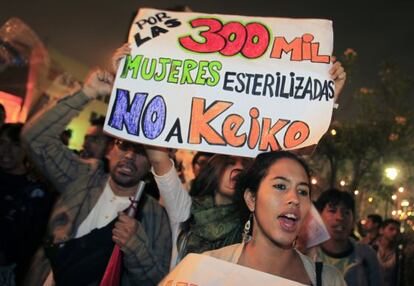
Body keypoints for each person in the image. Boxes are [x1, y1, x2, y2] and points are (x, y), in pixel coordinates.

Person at [21, 69, 172, 286]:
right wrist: (87, 93)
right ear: (110, 150)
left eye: (140, 151)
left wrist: (135, 247)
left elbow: (158, 281)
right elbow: (34, 139)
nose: (129, 156)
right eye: (122, 145)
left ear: (151, 163)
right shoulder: (81, 178)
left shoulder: (156, 217)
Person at [163, 151, 346, 285]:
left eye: (303, 191)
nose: (294, 199)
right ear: (251, 199)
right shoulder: (204, 268)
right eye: (280, 186)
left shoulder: (329, 280)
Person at [146, 147, 251, 268]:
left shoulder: (250, 226)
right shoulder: (184, 208)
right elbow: (158, 159)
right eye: (230, 163)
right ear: (215, 170)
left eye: (245, 166)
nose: (239, 169)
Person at [0, 123, 53, 285]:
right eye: (2, 143)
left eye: (15, 145)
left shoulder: (37, 192)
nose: (6, 150)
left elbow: (33, 242)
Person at [315, 188, 383, 286]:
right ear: (319, 216)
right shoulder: (306, 255)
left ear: (353, 220)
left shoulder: (367, 256)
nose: (340, 217)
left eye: (346, 212)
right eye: (332, 211)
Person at [373, 219, 403, 286]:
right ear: (381, 231)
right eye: (391, 229)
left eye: (397, 230)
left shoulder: (400, 253)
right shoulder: (371, 249)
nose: (395, 232)